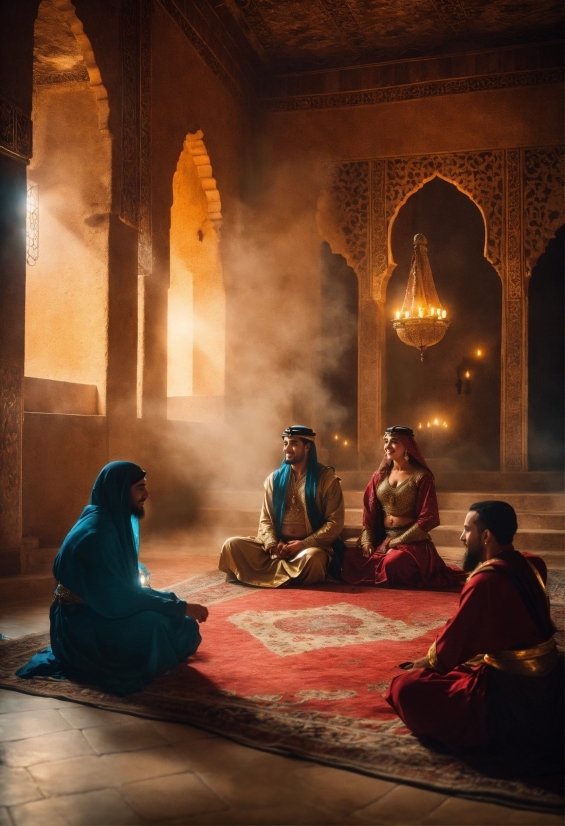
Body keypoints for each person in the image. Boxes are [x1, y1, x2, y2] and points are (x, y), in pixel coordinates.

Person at [386, 501, 563, 762]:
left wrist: (421, 665)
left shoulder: (486, 581)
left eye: (467, 530)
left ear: (487, 536)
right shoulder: (530, 563)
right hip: (550, 675)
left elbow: (451, 648)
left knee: (406, 688)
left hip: (512, 692)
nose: (461, 537)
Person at [17, 461, 208, 696]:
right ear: (119, 490)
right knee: (156, 626)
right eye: (139, 488)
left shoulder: (111, 519)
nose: (147, 494)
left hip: (105, 608)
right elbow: (121, 599)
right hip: (81, 626)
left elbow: (122, 588)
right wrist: (178, 607)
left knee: (185, 628)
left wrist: (175, 607)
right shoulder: (97, 533)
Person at [219, 425, 346, 587]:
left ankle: (268, 574)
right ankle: (287, 574)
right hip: (278, 547)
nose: (287, 448)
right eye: (285, 443)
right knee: (232, 545)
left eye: (293, 443)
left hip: (308, 549)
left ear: (307, 447)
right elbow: (266, 519)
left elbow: (335, 523)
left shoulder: (326, 479)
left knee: (314, 559)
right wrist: (272, 545)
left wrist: (304, 544)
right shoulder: (274, 479)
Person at [341, 425, 464, 589]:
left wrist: (398, 541)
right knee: (347, 558)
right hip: (384, 539)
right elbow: (369, 512)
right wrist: (367, 541)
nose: (387, 446)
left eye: (394, 441)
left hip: (412, 541)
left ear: (407, 445)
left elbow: (429, 518)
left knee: (393, 564)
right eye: (386, 441)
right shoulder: (379, 476)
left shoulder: (422, 477)